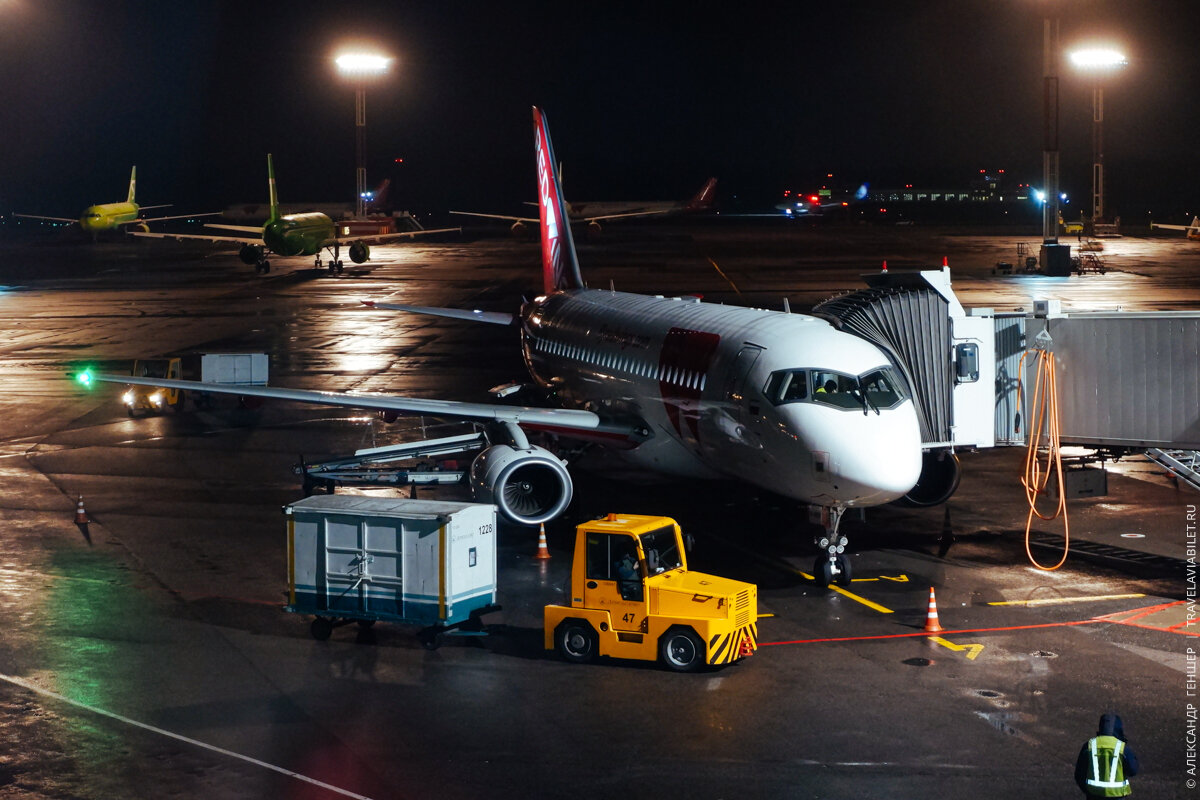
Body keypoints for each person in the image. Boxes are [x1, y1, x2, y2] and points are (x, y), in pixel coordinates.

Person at [1074, 713, 1139, 797]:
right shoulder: (1122, 748)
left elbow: (1079, 774)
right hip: (1117, 796)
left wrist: (1088, 791)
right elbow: (1133, 770)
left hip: (1093, 796)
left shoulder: (1089, 746)